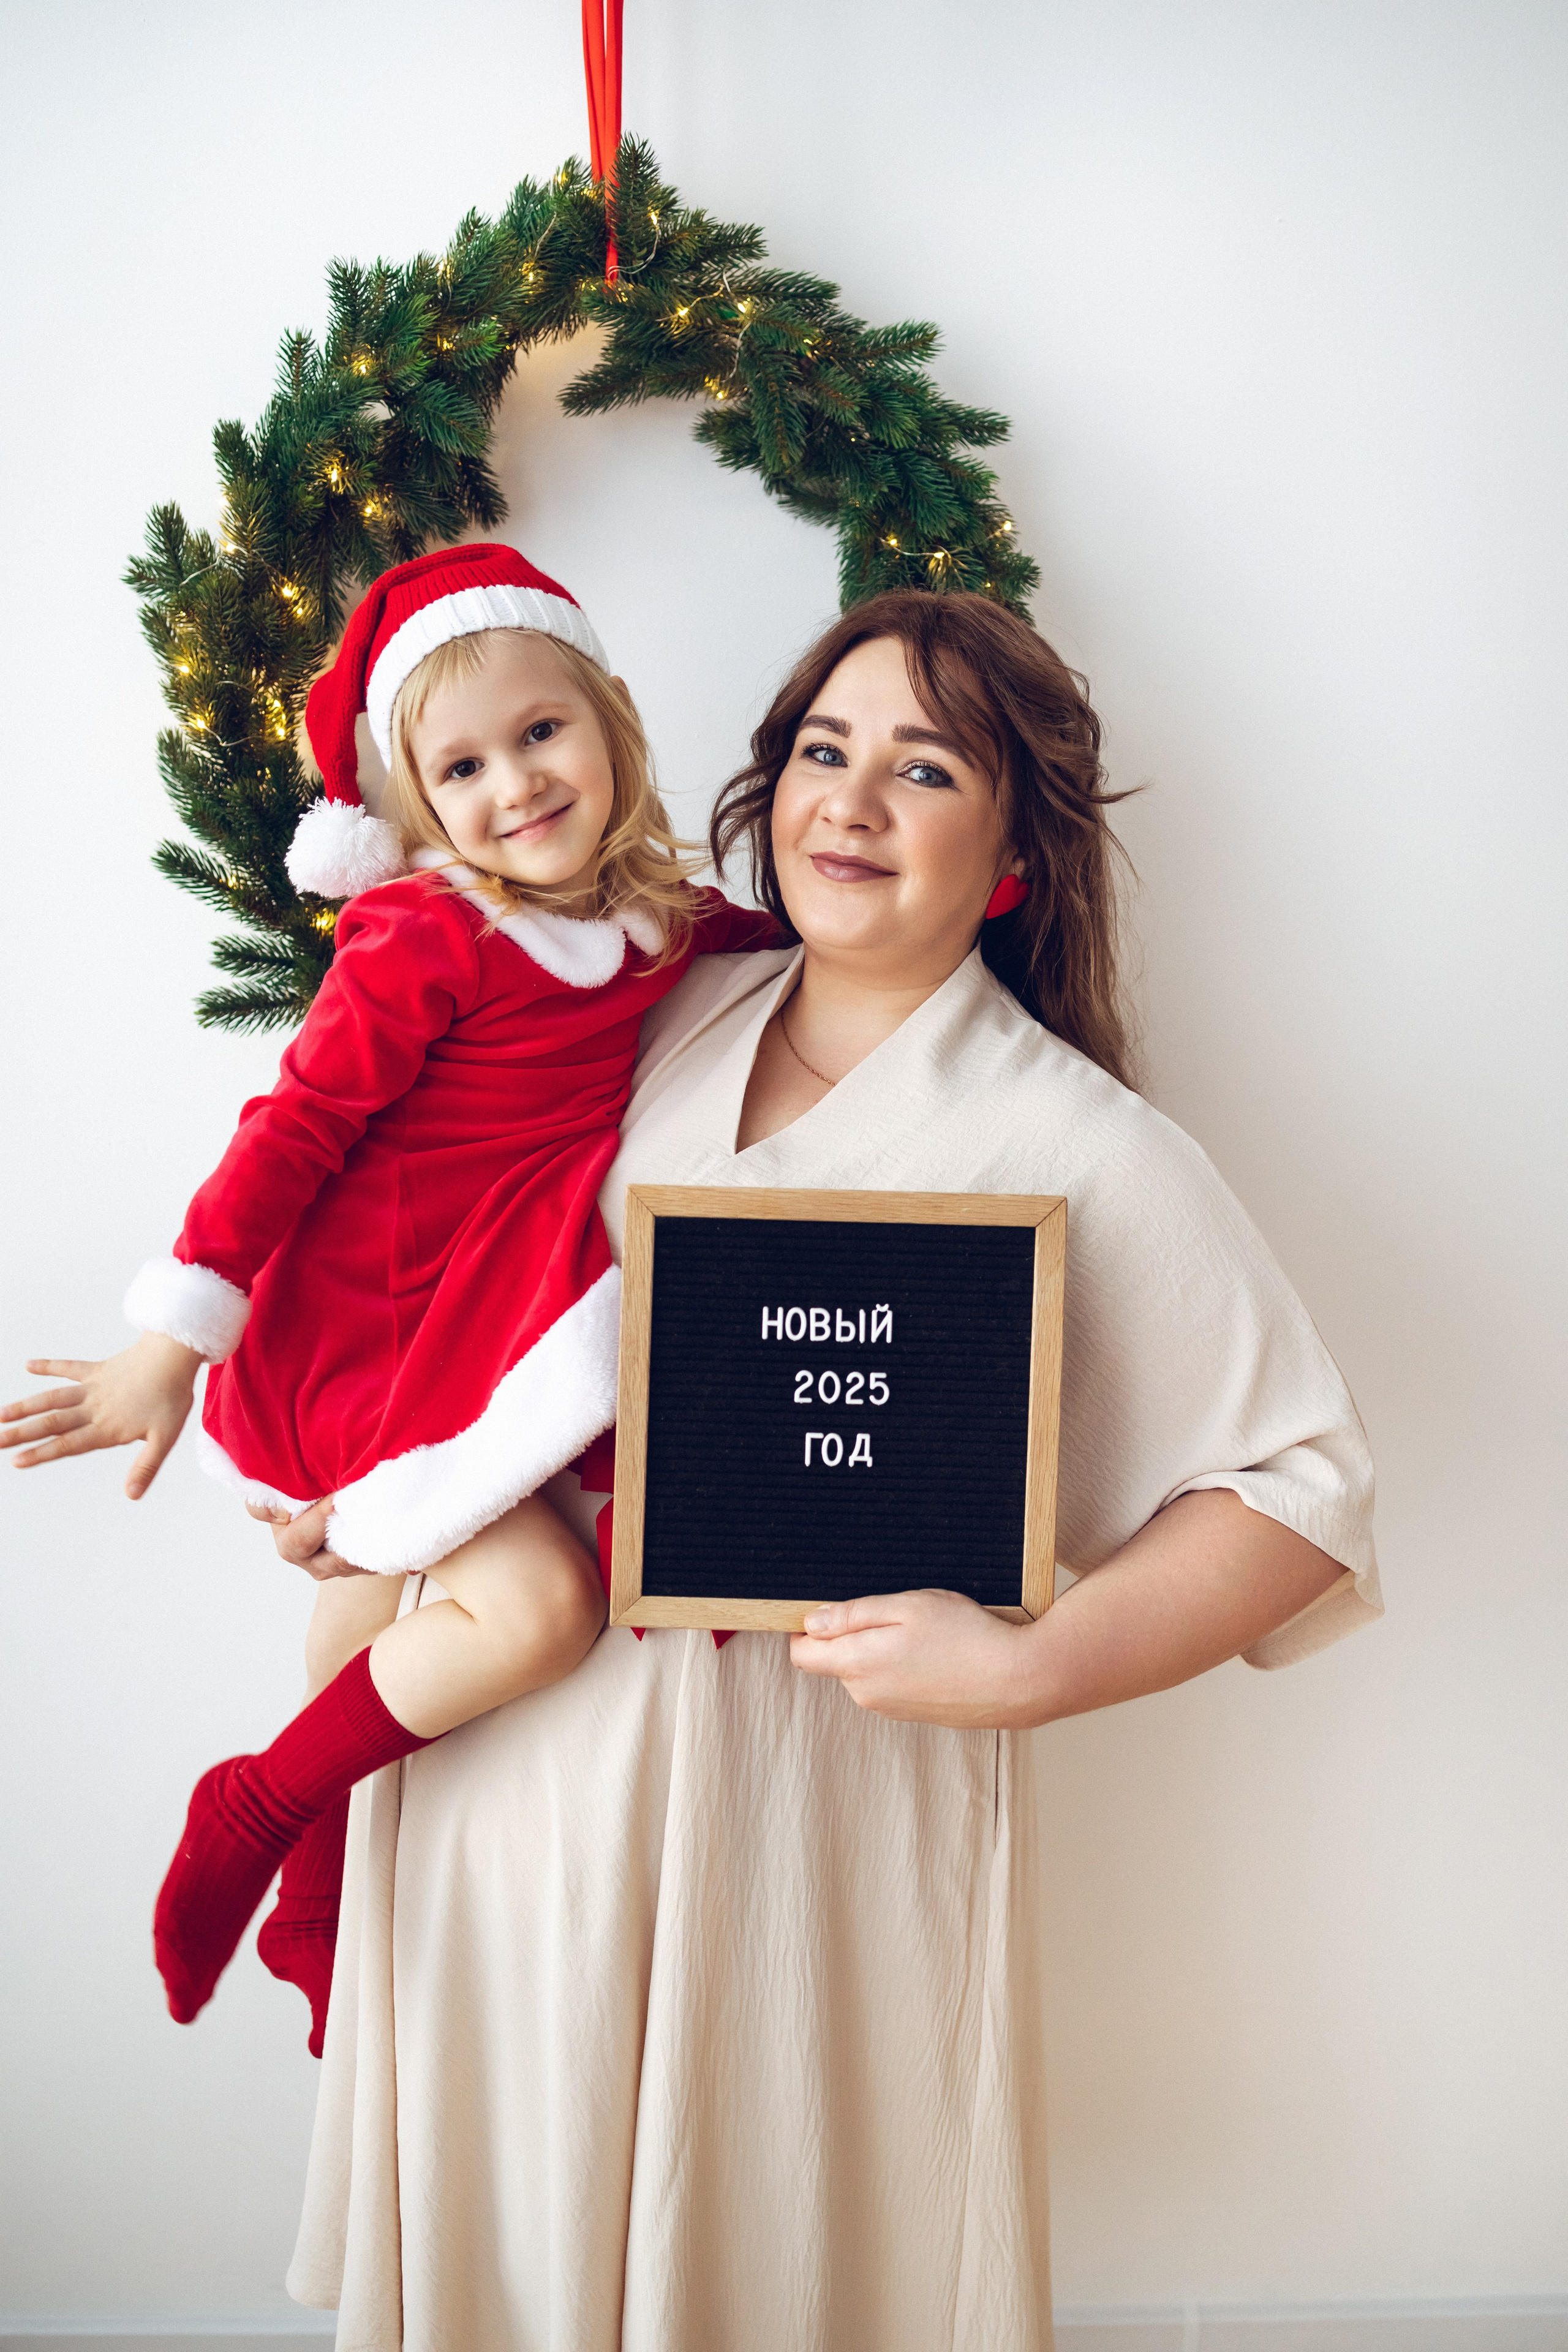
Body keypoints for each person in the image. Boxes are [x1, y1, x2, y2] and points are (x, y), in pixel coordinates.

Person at [286, 587, 1378, 2350]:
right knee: (513, 2270)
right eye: (822, 750)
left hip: (797, 1845)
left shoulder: (1073, 1139)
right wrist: (343, 1471)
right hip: (509, 1778)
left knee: (768, 2264)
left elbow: (1301, 1497)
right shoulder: (649, 1011)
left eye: (923, 768)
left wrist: (1031, 1667)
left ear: (1011, 854)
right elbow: (416, 1246)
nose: (850, 802)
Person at [0, 543, 776, 2054]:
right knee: (540, 1611)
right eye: (463, 767)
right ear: (417, 810)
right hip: (374, 1317)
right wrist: (174, 1341)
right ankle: (263, 1803)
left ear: (612, 717)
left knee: (365, 1616)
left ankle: (311, 1889)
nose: (517, 787)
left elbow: (765, 942)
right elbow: (291, 1127)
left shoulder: (649, 916)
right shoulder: (431, 935)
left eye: (542, 733)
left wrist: (968, 900)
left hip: (484, 1302)